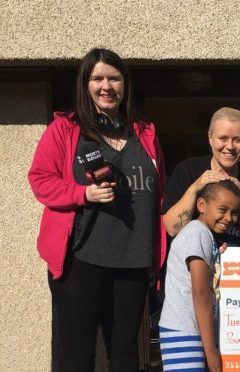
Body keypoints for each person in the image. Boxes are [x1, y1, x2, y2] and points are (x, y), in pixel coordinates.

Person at [28, 48, 166, 372]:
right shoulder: (64, 130)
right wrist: (82, 193)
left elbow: (158, 193)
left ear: (125, 85)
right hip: (80, 258)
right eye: (98, 78)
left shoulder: (145, 133)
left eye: (114, 78)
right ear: (85, 84)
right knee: (76, 351)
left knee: (126, 353)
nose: (107, 86)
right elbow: (40, 180)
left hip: (132, 258)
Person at [159, 180, 240, 372]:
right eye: (222, 209)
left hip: (191, 329)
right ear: (201, 205)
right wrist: (211, 349)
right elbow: (201, 292)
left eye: (235, 212)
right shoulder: (198, 234)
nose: (229, 217)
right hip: (184, 329)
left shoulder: (203, 235)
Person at [162, 107, 240, 246]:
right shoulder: (187, 170)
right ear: (210, 138)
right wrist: (195, 188)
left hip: (236, 266)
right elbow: (172, 229)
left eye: (238, 140)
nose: (230, 146)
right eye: (223, 138)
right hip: (193, 265)